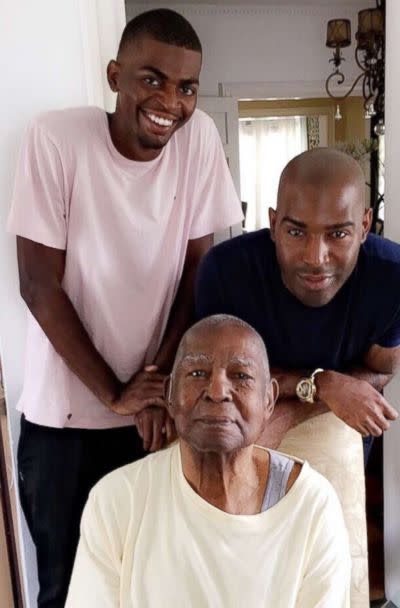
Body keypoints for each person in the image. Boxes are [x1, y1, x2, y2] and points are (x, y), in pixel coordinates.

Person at [7, 9, 242, 607]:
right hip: (62, 427)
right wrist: (114, 392)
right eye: (152, 78)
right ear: (115, 75)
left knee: (152, 584)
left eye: (186, 86)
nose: (171, 100)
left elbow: (198, 272)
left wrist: (157, 386)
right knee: (67, 589)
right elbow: (38, 284)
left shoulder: (199, 142)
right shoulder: (57, 139)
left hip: (154, 421)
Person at [195, 148, 400, 607]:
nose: (315, 257)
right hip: (247, 416)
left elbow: (377, 374)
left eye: (338, 233)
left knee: (327, 566)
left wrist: (307, 392)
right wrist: (321, 383)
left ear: (364, 226)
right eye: (296, 231)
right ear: (272, 221)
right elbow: (220, 379)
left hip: (334, 427)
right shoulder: (225, 272)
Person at [66, 315, 351, 608]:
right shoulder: (117, 500)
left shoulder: (312, 505)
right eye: (198, 373)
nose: (217, 391)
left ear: (268, 401)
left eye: (241, 375)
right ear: (170, 396)